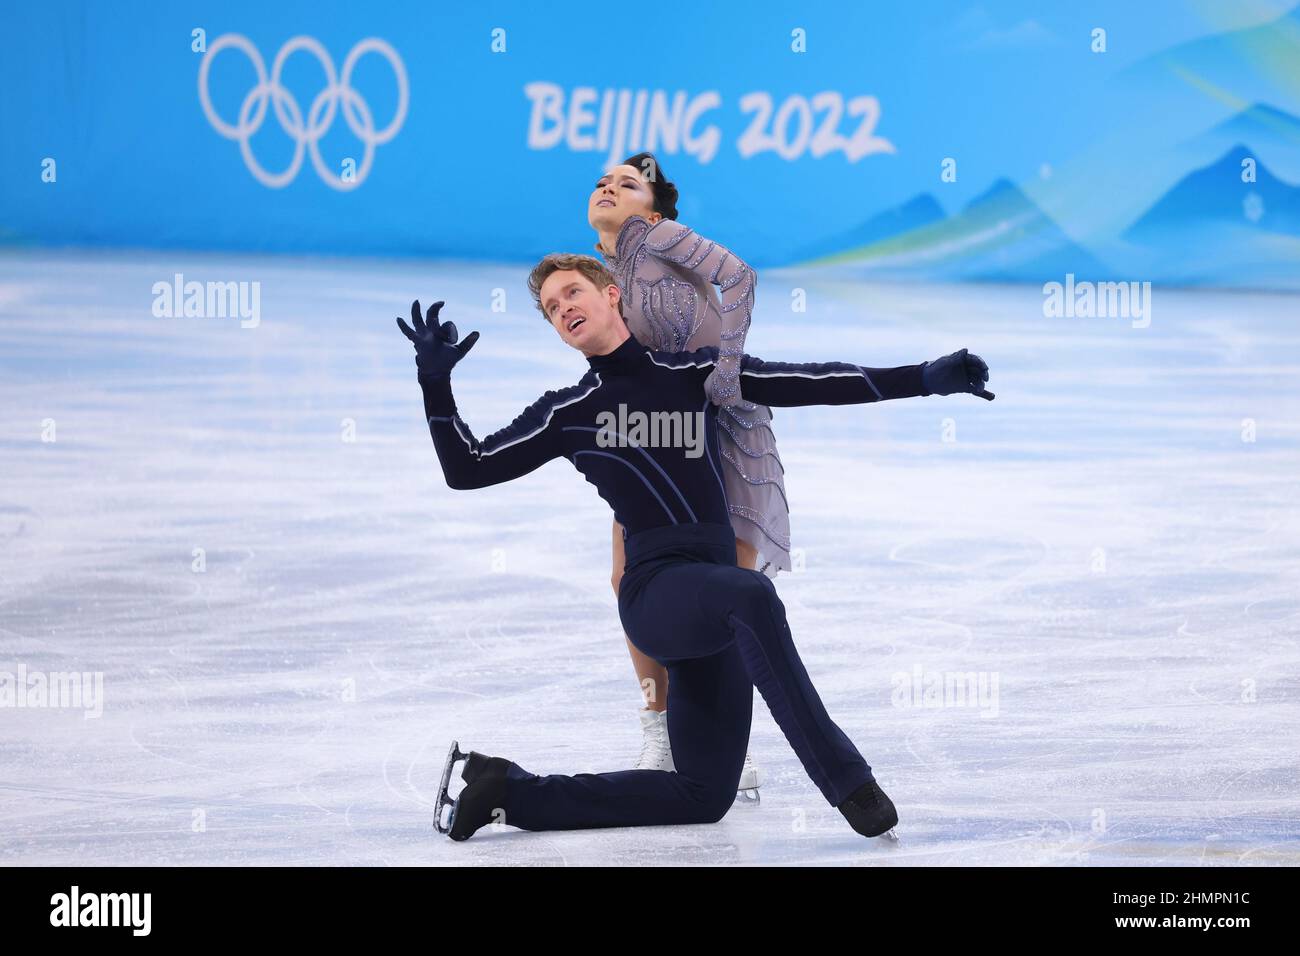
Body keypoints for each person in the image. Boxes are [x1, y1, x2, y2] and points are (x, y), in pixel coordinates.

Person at [398, 254, 993, 842]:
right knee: (751, 591)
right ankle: (849, 782)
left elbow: (805, 380)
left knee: (705, 796)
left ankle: (507, 789)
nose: (563, 310)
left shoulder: (695, 373)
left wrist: (924, 379)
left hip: (715, 601)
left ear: (611, 296)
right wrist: (435, 382)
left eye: (572, 293)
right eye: (552, 309)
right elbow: (467, 469)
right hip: (657, 592)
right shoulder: (567, 412)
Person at [587, 153, 779, 789]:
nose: (609, 188)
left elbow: (741, 277)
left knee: (727, 588)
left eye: (628, 183)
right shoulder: (604, 272)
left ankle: (730, 742)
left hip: (720, 424)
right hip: (657, 437)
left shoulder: (660, 237)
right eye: (602, 182)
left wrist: (728, 365)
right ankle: (659, 727)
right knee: (627, 577)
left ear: (656, 208)